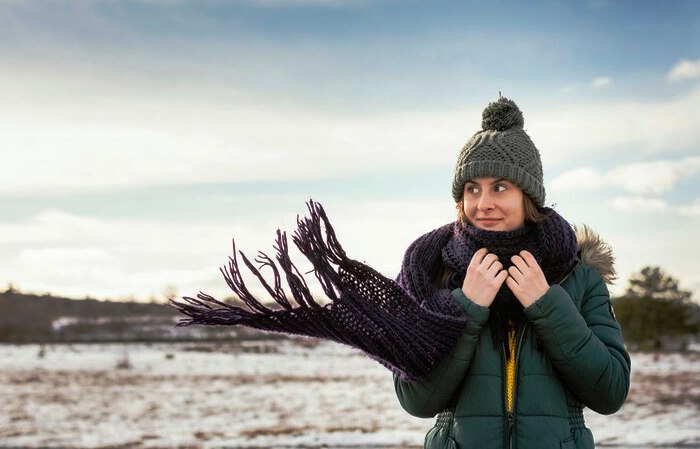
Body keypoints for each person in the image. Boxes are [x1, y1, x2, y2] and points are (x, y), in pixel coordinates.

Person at [171, 97, 630, 449]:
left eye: (501, 187)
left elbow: (610, 391)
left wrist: (547, 304)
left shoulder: (576, 277)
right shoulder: (434, 277)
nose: (483, 202)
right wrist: (467, 307)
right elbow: (417, 401)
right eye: (472, 188)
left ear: (529, 197)